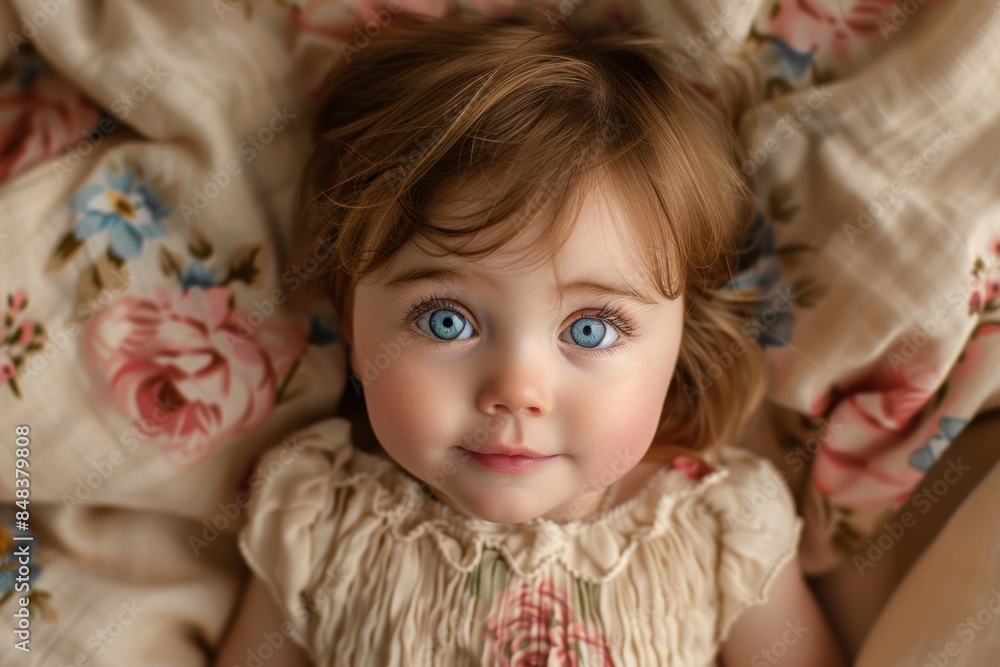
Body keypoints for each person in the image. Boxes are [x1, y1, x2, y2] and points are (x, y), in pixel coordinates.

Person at [215, 4, 847, 665]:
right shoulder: (316, 517)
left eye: (591, 328)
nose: (516, 391)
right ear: (350, 316)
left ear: (683, 337)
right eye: (446, 320)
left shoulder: (722, 530)